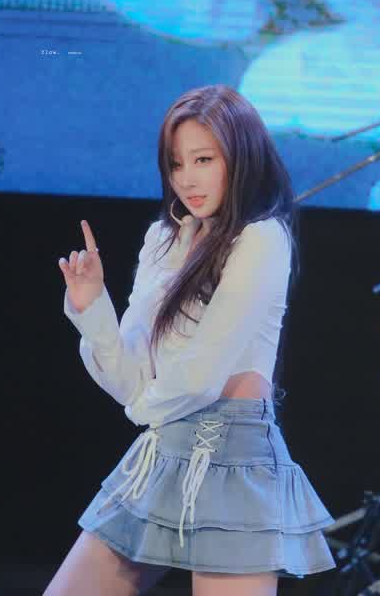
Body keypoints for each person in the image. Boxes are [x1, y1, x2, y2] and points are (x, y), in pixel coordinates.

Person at [46, 84, 336, 596]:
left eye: (204, 159)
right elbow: (130, 375)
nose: (187, 179)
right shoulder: (164, 238)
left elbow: (202, 373)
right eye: (176, 164)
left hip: (235, 458)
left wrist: (143, 409)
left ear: (241, 159)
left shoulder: (262, 238)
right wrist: (93, 307)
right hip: (160, 453)